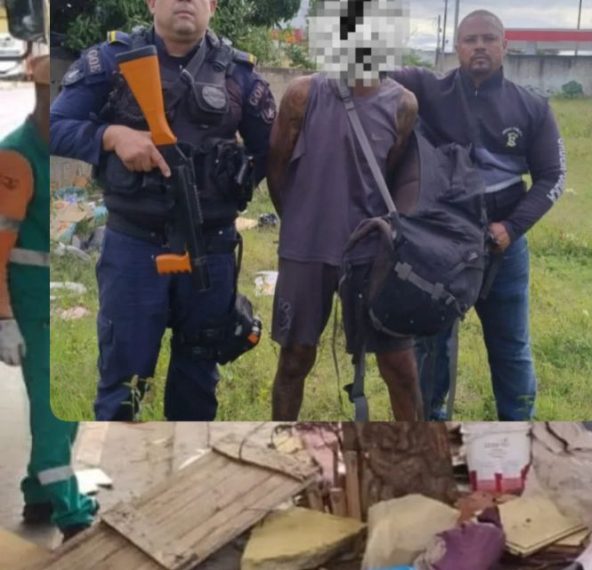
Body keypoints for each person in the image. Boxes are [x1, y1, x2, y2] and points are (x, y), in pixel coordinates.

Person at [50, 0, 274, 420]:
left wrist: (235, 178)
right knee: (123, 386)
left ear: (213, 6)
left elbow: (272, 152)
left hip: (211, 248)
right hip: (134, 245)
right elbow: (53, 125)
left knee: (197, 381)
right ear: (152, 2)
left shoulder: (240, 75)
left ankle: (186, 477)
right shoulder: (111, 61)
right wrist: (112, 136)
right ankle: (117, 476)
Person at [390, 9, 567, 421]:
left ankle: (519, 431)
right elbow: (368, 73)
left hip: (503, 250)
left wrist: (511, 228)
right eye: (470, 40)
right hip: (439, 250)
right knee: (430, 342)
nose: (480, 47)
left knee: (511, 346)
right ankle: (427, 430)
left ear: (505, 46)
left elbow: (553, 177)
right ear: (457, 48)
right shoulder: (430, 91)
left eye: (489, 39)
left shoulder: (531, 108)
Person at [266, 11, 422, 421]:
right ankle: (281, 442)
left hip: (373, 254)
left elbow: (393, 171)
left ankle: (416, 450)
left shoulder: (403, 104)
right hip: (308, 246)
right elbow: (277, 168)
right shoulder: (302, 95)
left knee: (399, 367)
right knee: (295, 359)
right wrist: (302, 222)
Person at [2, 55, 99, 541]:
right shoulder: (16, 157)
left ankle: (38, 494)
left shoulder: (64, 148)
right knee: (54, 412)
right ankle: (70, 511)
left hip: (67, 298)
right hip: (36, 305)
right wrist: (3, 318)